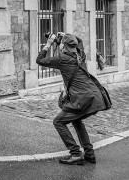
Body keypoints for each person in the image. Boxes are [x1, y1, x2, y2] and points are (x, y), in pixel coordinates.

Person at [36, 32, 105, 166]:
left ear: (64, 46)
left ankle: (75, 154)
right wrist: (67, 35)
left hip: (81, 99)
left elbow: (40, 60)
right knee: (77, 121)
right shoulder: (80, 55)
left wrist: (48, 44)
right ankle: (89, 154)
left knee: (58, 122)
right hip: (93, 96)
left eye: (62, 43)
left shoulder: (62, 59)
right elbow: (79, 42)